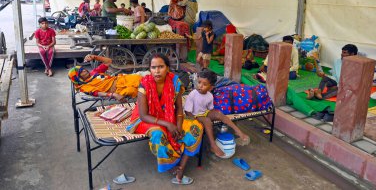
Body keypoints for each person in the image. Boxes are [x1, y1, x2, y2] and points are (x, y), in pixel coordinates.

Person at [127, 53, 203, 185]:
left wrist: (178, 125)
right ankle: (172, 168)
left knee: (195, 127)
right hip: (147, 119)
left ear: (167, 68)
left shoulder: (175, 82)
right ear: (149, 69)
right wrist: (168, 124)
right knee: (158, 134)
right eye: (153, 67)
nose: (157, 71)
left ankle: (182, 166)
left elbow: (179, 108)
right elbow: (143, 115)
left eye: (161, 67)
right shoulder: (144, 84)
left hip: (169, 114)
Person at [184, 69, 250, 158]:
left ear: (211, 88)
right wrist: (194, 121)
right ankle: (213, 145)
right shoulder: (193, 94)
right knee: (207, 120)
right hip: (194, 115)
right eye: (199, 82)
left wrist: (215, 114)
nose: (200, 86)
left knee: (219, 113)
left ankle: (238, 131)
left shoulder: (210, 96)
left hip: (204, 113)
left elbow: (210, 109)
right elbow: (187, 111)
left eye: (204, 84)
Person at [68, 54, 142, 101]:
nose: (85, 70)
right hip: (118, 89)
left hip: (122, 79)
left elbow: (108, 61)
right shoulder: (84, 87)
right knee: (135, 91)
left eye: (83, 68)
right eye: (81, 72)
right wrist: (113, 95)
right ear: (78, 78)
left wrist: (94, 57)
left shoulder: (94, 72)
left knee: (141, 80)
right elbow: (97, 93)